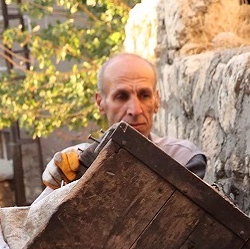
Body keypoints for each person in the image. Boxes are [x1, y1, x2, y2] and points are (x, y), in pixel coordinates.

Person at [42, 52, 207, 189]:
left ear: (157, 100)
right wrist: (59, 185)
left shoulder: (182, 158)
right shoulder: (74, 163)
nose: (135, 110)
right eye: (121, 97)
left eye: (145, 95)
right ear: (100, 103)